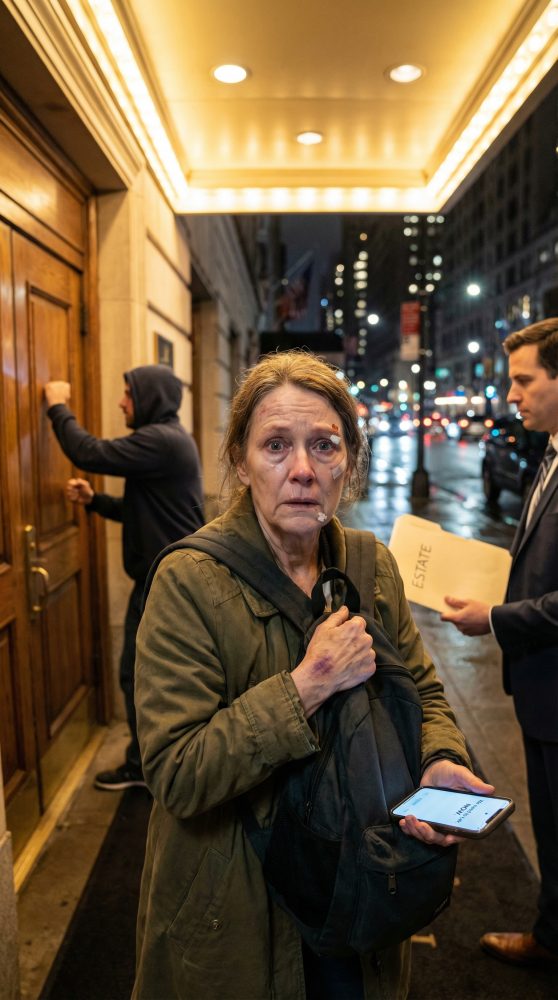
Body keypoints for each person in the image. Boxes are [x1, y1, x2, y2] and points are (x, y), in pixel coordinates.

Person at [132, 351, 493, 1000]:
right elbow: (177, 773)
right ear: (241, 460)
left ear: (348, 462)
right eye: (276, 445)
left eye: (324, 445)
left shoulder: (370, 565)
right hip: (240, 909)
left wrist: (439, 758)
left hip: (361, 885)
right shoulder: (188, 580)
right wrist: (305, 686)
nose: (302, 469)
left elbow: (423, 691)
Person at [442, 318, 558, 968]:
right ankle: (551, 937)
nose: (510, 394)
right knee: (551, 830)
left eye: (523, 379)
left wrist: (495, 617)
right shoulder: (549, 452)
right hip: (540, 687)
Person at [44, 365, 204, 791]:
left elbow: (89, 452)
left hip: (166, 584)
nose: (121, 403)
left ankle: (148, 768)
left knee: (140, 676)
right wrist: (95, 501)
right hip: (165, 579)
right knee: (148, 677)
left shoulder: (160, 440)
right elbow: (142, 512)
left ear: (150, 398)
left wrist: (57, 406)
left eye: (128, 394)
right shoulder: (166, 441)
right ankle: (153, 763)